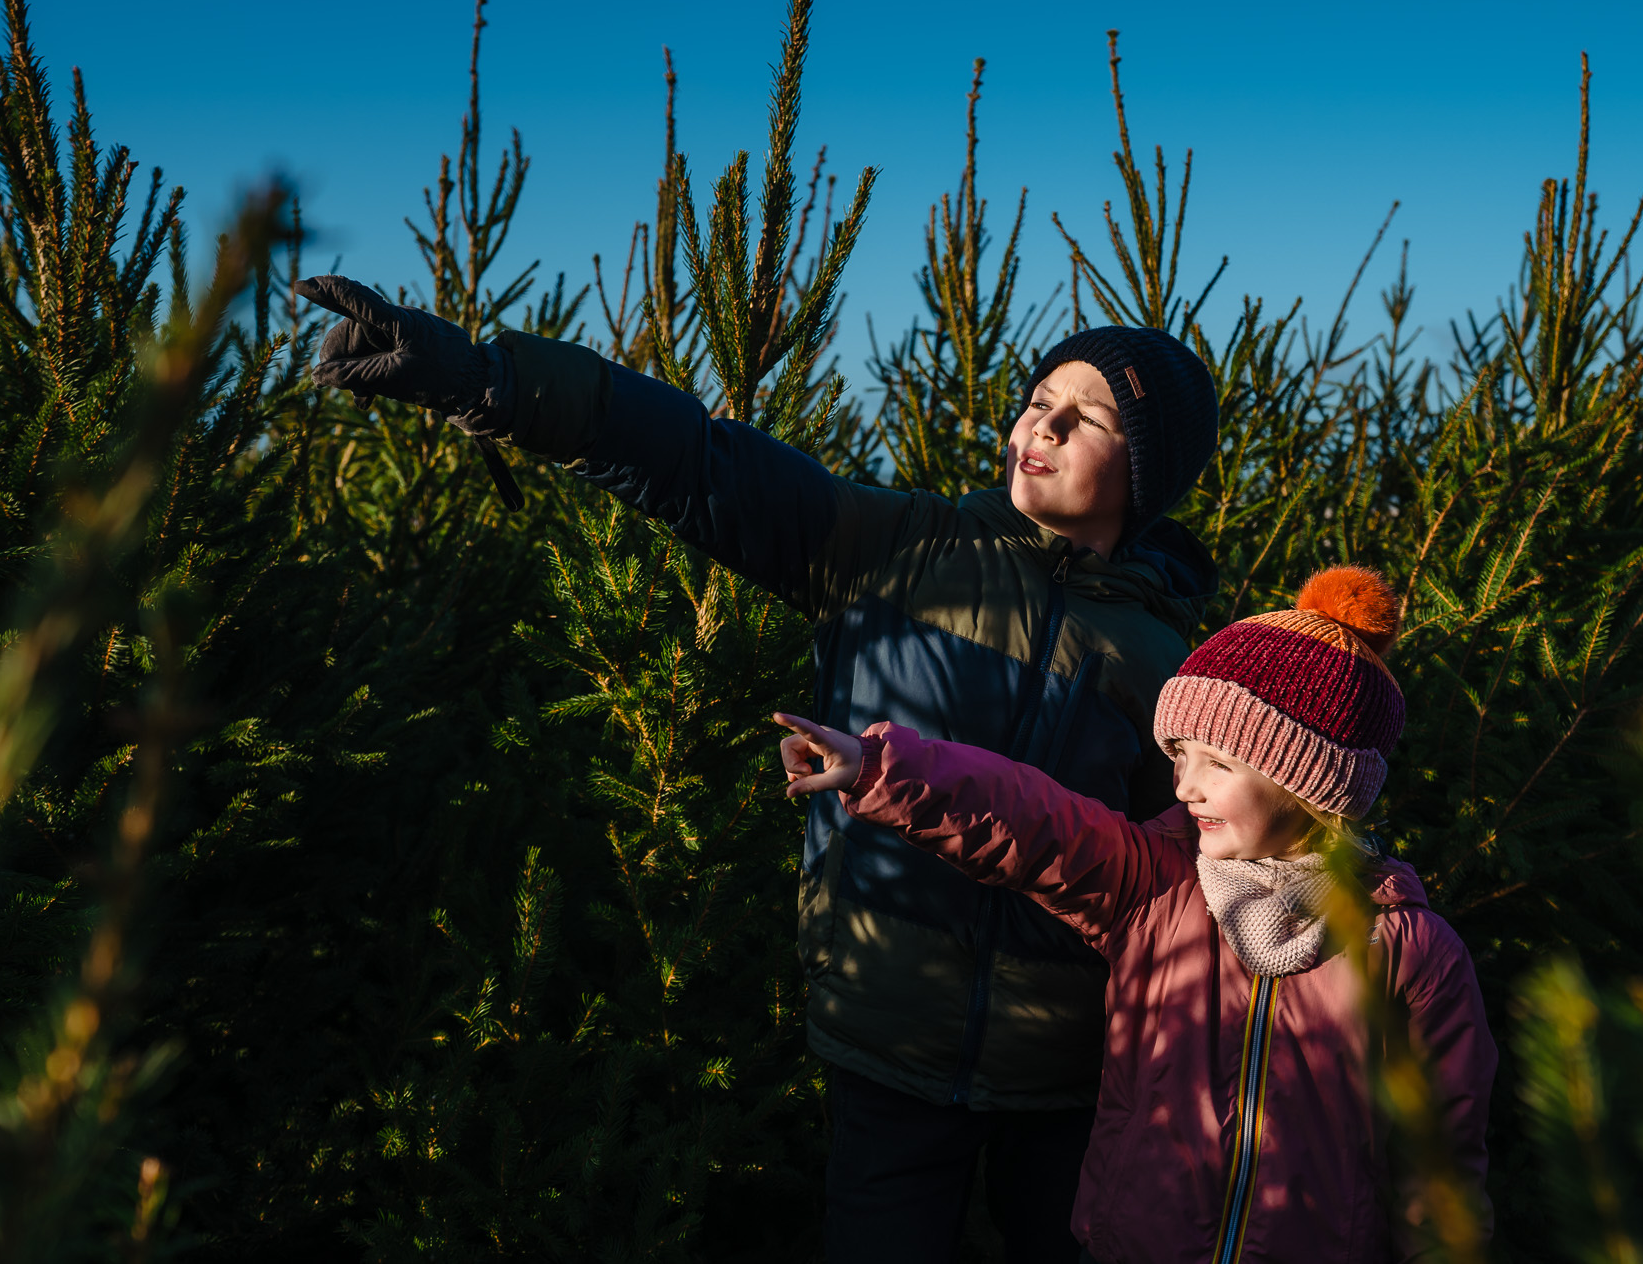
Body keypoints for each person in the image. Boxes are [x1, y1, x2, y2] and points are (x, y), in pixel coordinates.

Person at [289, 276, 1221, 1263]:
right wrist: (487, 379)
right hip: (882, 1042)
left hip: (1073, 1075)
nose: (1043, 425)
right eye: (1038, 400)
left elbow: (1174, 872)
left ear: (1146, 471)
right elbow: (697, 463)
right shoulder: (894, 546)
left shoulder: (1168, 660)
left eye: (1087, 418)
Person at [775, 566, 1498, 1264]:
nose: (1184, 783)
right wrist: (881, 769)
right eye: (1179, 753)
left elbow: (1438, 1159)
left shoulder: (1409, 949)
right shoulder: (1157, 885)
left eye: (1218, 763)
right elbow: (1033, 823)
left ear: (1307, 781)